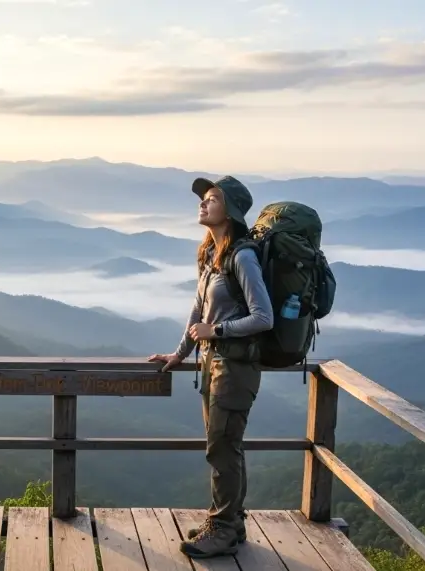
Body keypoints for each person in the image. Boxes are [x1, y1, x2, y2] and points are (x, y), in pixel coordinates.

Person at [148, 175, 274, 558]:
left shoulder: (242, 257)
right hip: (213, 364)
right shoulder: (211, 254)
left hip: (235, 368)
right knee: (225, 447)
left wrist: (216, 330)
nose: (203, 204)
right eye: (203, 198)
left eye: (212, 199)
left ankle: (222, 530)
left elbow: (263, 317)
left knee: (222, 449)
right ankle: (230, 523)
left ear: (230, 211)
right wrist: (180, 352)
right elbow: (198, 309)